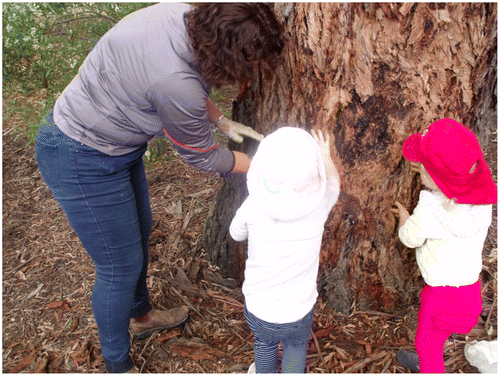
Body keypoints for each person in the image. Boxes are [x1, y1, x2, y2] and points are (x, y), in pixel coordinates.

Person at [35, 3, 284, 373]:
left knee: (139, 233)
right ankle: (118, 365)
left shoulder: (180, 13)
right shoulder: (173, 83)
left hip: (114, 143)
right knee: (118, 266)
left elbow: (181, 84)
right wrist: (262, 166)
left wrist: (220, 122)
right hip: (81, 157)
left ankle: (141, 317)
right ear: (227, 53)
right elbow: (200, 155)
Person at [230, 127, 341, 373]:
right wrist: (325, 155)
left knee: (265, 344)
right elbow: (334, 184)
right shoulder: (319, 205)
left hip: (260, 307)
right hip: (299, 307)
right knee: (296, 346)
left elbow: (235, 233)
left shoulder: (253, 206)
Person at [392, 118, 497, 373]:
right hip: (471, 294)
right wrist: (437, 178)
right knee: (440, 334)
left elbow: (410, 238)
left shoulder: (430, 210)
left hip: (441, 298)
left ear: (436, 179)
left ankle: (430, 367)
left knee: (426, 345)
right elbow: (456, 194)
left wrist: (405, 218)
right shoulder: (481, 202)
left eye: (425, 167)